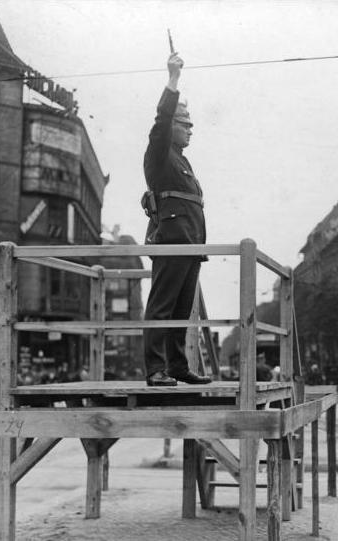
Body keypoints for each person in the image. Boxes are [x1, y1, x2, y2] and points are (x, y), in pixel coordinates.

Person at [142, 52, 211, 387]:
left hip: (190, 244)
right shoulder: (159, 153)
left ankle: (177, 367)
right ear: (172, 127)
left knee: (181, 311)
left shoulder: (182, 162)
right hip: (171, 242)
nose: (190, 132)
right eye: (186, 126)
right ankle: (155, 369)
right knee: (162, 308)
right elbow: (161, 119)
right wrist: (173, 79)